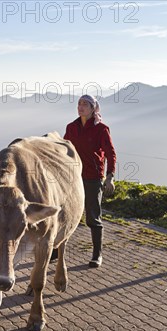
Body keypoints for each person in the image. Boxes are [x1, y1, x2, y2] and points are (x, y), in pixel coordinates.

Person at [64, 94, 116, 268]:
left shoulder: (101, 129)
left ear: (93, 108)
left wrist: (110, 176)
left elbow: (110, 153)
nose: (80, 107)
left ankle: (97, 255)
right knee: (65, 213)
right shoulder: (71, 127)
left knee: (93, 217)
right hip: (73, 177)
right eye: (79, 104)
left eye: (85, 104)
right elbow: (64, 148)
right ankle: (57, 251)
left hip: (93, 177)